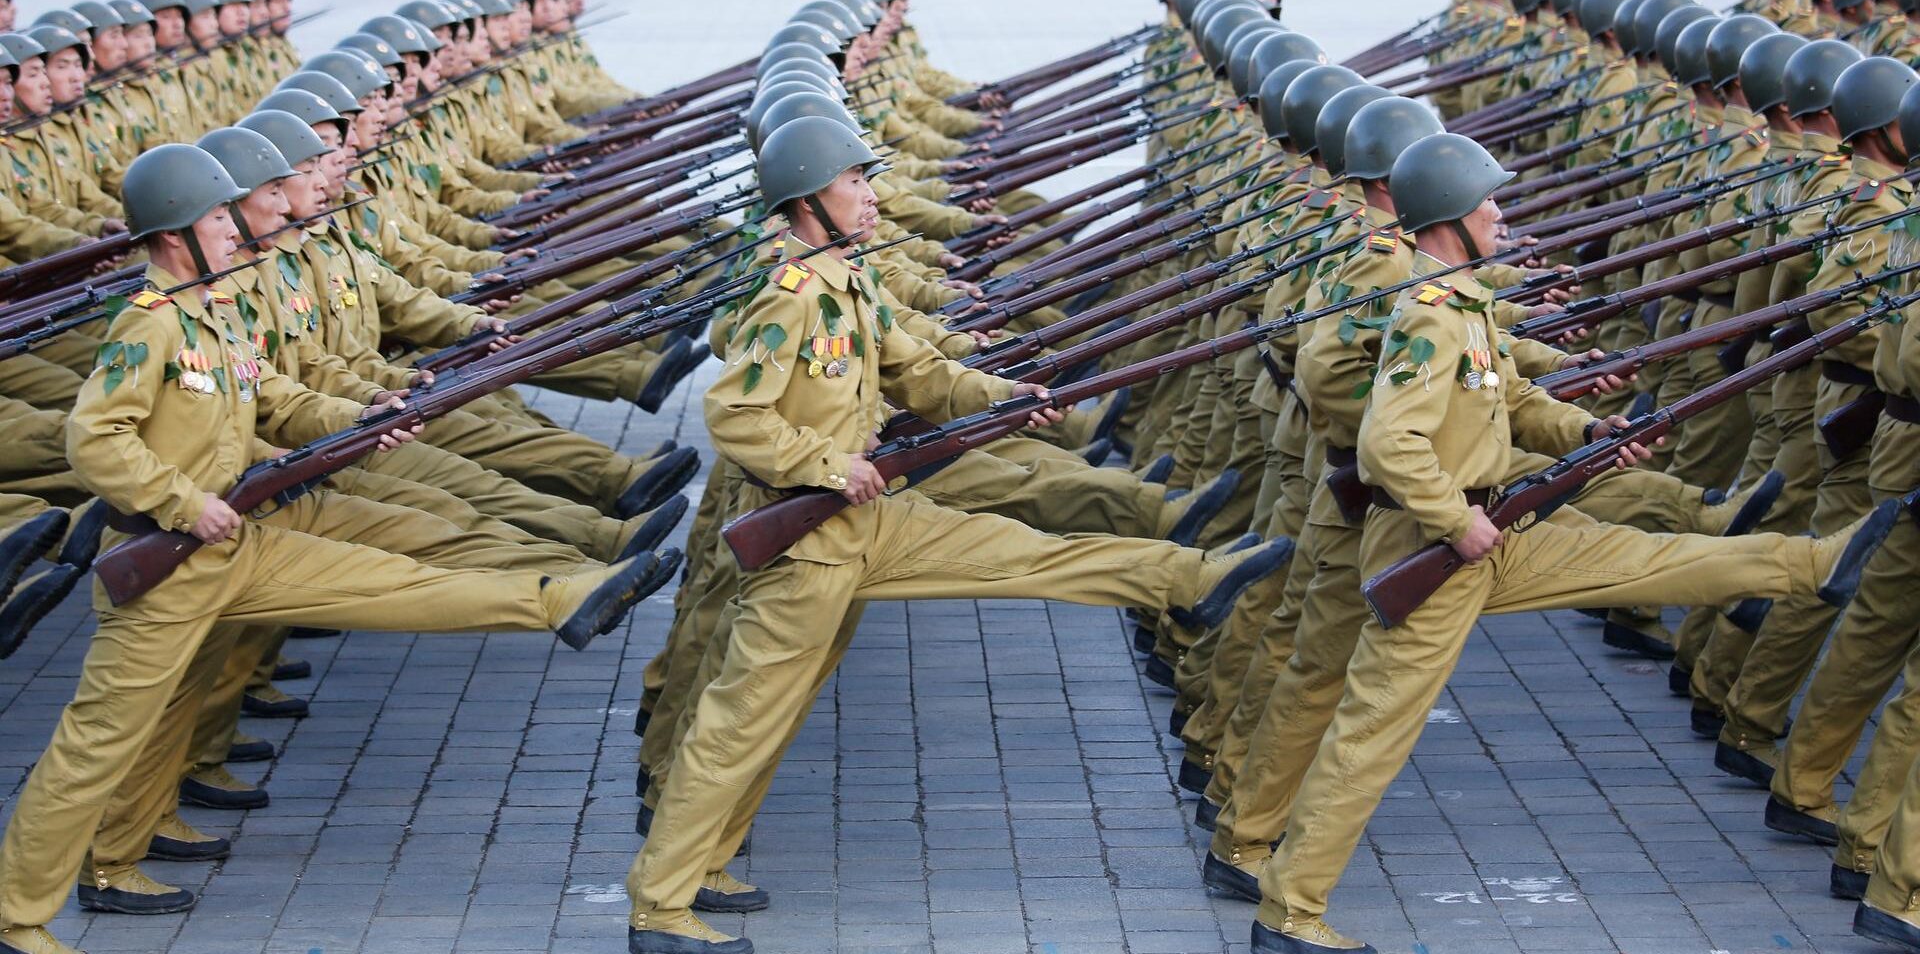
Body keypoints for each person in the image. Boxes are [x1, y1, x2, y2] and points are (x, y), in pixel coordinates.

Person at [624, 115, 1293, 954]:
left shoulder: (849, 281)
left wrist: (1009, 398)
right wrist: (826, 465)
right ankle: (660, 904)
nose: (870, 196)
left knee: (1020, 553)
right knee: (743, 721)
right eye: (854, 183)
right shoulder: (789, 300)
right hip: (807, 547)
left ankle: (1190, 575)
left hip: (866, 527)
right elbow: (735, 413)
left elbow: (924, 373)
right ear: (807, 200)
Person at [0, 145, 678, 954]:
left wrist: (356, 419)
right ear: (177, 234)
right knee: (95, 746)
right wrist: (185, 501)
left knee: (394, 583)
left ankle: (560, 596)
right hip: (169, 566)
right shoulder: (146, 326)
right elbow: (94, 439)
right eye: (218, 216)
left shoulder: (212, 309)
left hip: (238, 543)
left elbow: (273, 395)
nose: (234, 227)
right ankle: (17, 915)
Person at [1247, 134, 1900, 954]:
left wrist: (1588, 430)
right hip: (1438, 551)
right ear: (1451, 215)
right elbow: (1387, 443)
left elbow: (1513, 396)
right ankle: (1290, 907)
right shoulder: (1432, 313)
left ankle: (1817, 562)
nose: (1500, 213)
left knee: (1645, 557)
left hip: (1494, 532)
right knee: (1374, 730)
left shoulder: (1462, 299)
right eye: (1488, 201)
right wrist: (1456, 520)